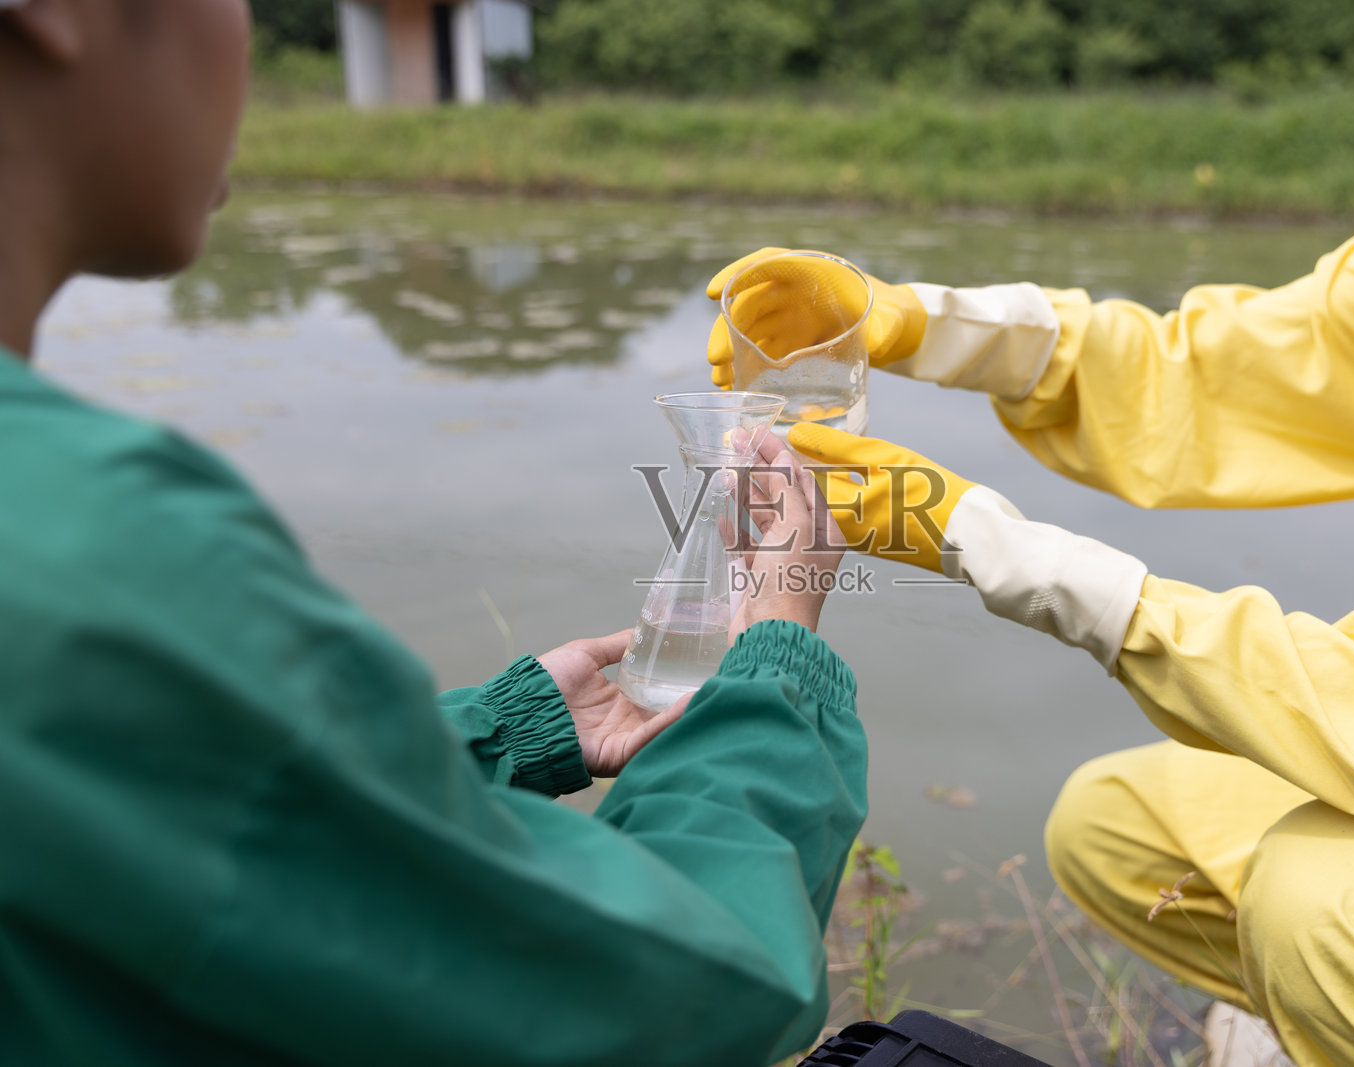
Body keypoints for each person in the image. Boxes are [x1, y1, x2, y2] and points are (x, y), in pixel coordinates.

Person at [704, 2, 1354, 1063]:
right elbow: (1216, 371)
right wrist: (920, 321)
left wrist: (985, 541)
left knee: (1327, 907)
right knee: (1121, 822)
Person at [0, 2, 864, 1064]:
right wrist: (777, 656)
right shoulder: (94, 547)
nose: (250, 35)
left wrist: (500, 734)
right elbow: (669, 993)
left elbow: (184, 828)